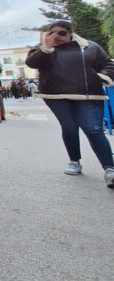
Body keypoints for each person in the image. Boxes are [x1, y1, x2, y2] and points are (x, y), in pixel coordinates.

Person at [25, 20, 114, 187]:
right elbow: (31, 63)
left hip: (88, 95)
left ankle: (110, 169)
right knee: (70, 128)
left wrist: (101, 78)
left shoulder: (89, 46)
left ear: (71, 32)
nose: (57, 36)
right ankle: (74, 161)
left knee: (93, 129)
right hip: (56, 95)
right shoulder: (43, 47)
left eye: (62, 33)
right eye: (53, 32)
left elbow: (108, 64)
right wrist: (46, 47)